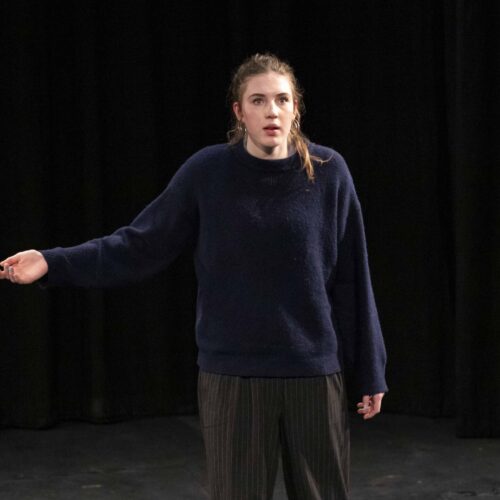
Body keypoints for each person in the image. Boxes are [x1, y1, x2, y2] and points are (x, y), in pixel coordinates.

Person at [0, 53, 388, 499]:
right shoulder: (208, 173)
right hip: (234, 377)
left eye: (282, 99)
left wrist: (370, 368)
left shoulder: (328, 172)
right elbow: (138, 245)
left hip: (313, 375)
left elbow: (353, 278)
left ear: (296, 106)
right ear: (239, 111)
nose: (272, 111)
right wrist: (52, 261)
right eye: (258, 100)